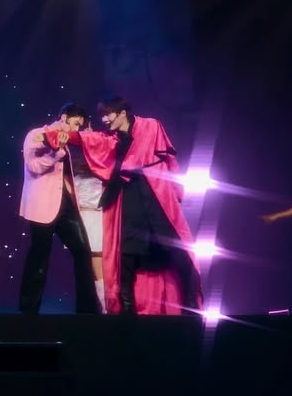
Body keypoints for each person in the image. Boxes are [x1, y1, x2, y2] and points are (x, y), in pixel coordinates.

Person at [48, 96, 201, 315]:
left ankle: (190, 305)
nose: (104, 120)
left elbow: (168, 160)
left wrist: (178, 190)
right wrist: (55, 134)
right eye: (101, 115)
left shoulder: (150, 126)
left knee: (176, 248)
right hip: (128, 196)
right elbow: (87, 139)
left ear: (122, 114)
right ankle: (127, 310)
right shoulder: (111, 139)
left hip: (155, 194)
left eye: (107, 114)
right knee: (127, 252)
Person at [18, 103, 101, 315]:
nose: (76, 128)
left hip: (66, 205)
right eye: (75, 123)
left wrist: (88, 139)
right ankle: (28, 312)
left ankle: (88, 311)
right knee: (39, 257)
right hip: (42, 205)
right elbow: (33, 166)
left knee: (83, 251)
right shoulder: (36, 134)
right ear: (64, 117)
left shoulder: (69, 141)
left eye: (80, 126)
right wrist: (55, 154)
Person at [69, 119, 107, 311]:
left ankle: (104, 306)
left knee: (96, 268)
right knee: (94, 268)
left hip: (93, 219)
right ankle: (101, 306)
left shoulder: (102, 169)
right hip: (88, 220)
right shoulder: (75, 169)